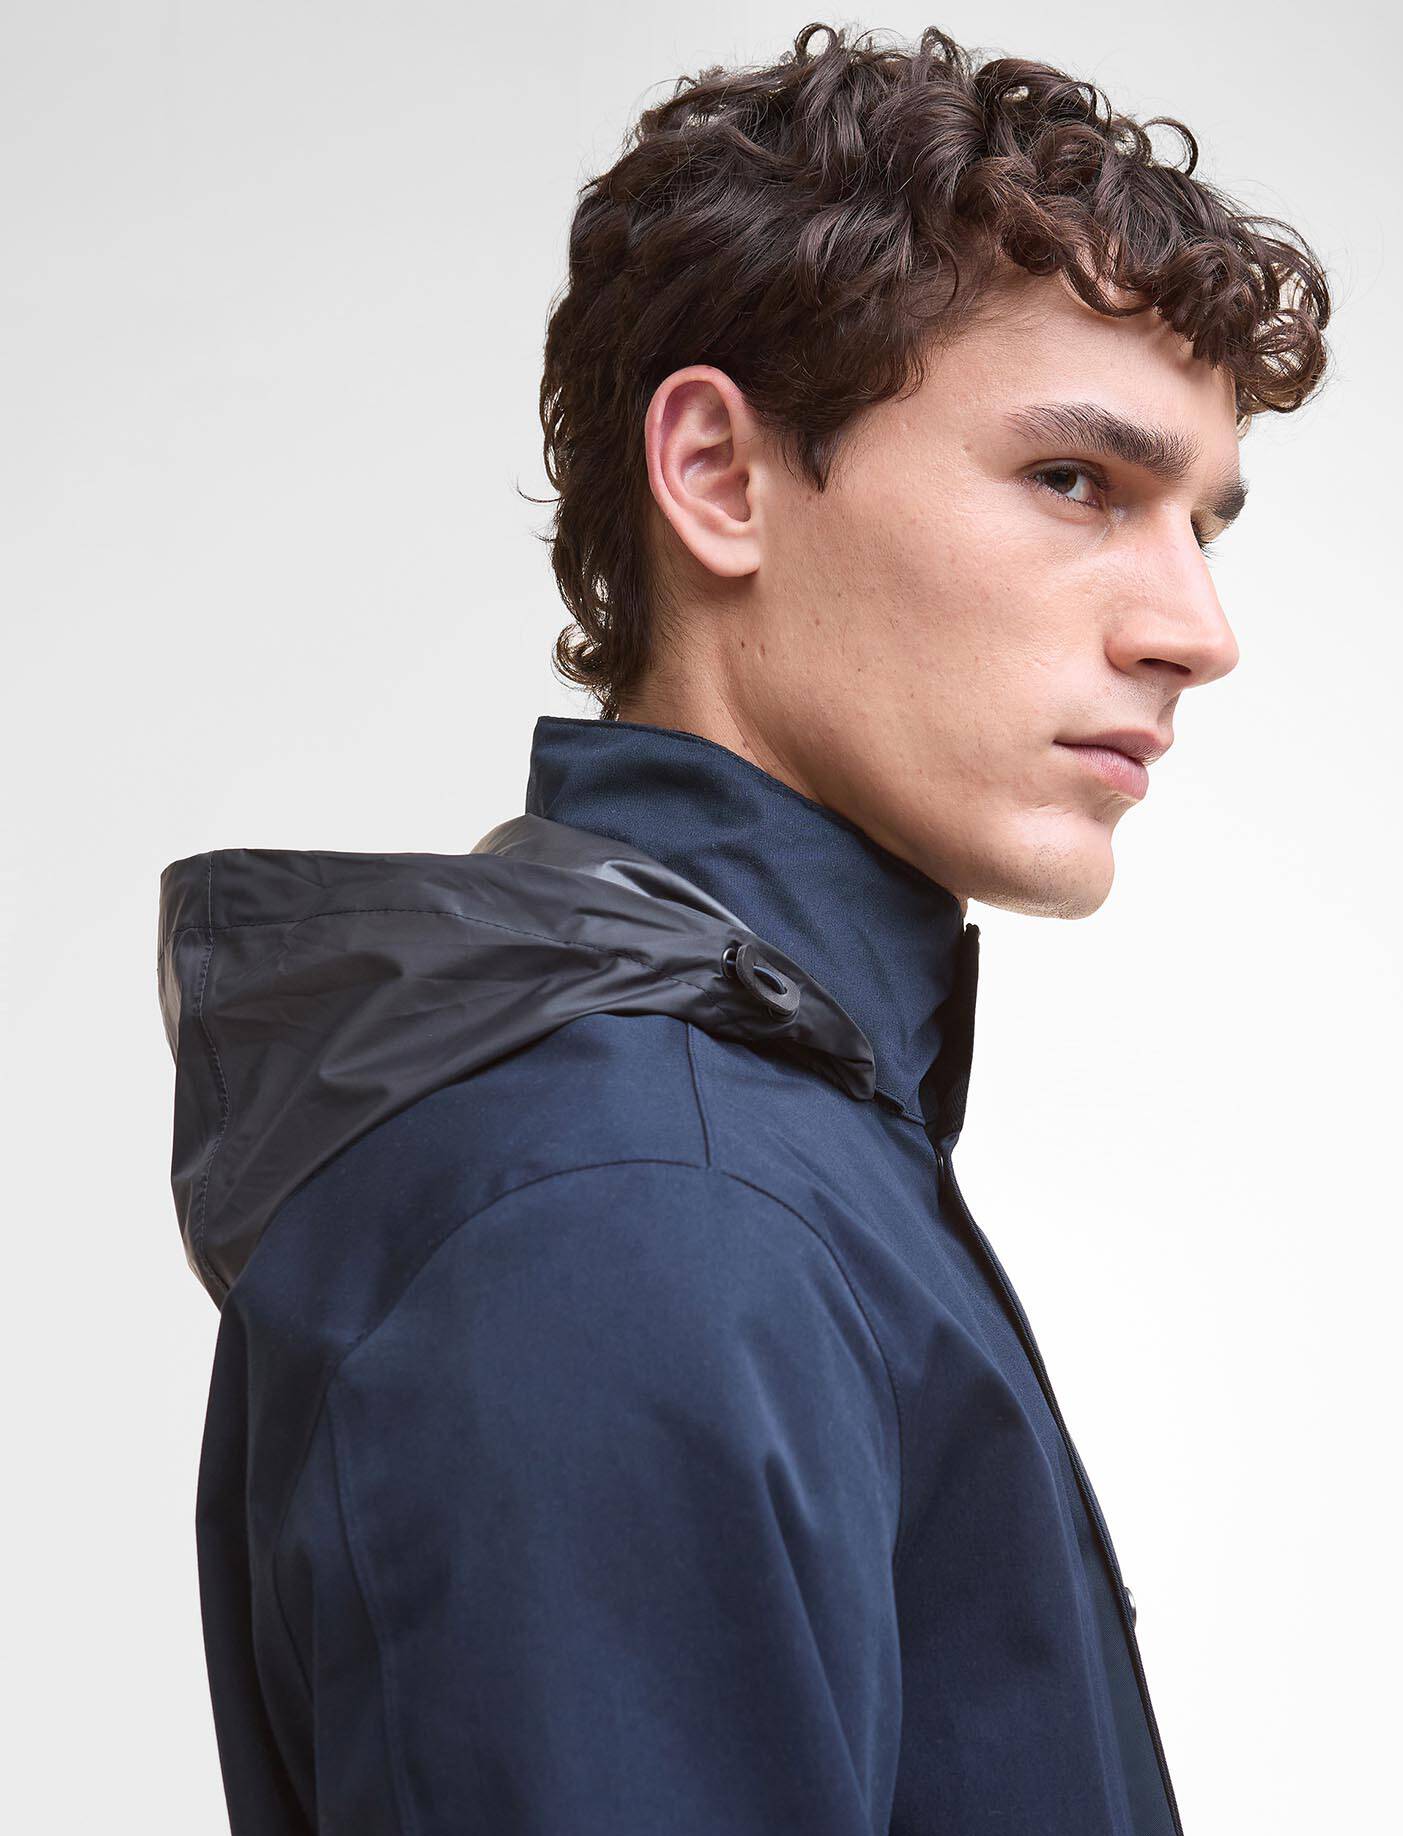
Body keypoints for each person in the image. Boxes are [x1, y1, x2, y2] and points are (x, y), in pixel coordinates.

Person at [157, 21, 1330, 1833]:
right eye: (1077, 483)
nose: (1196, 630)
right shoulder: (630, 1208)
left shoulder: (736, 1137)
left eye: (1204, 526)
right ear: (717, 474)